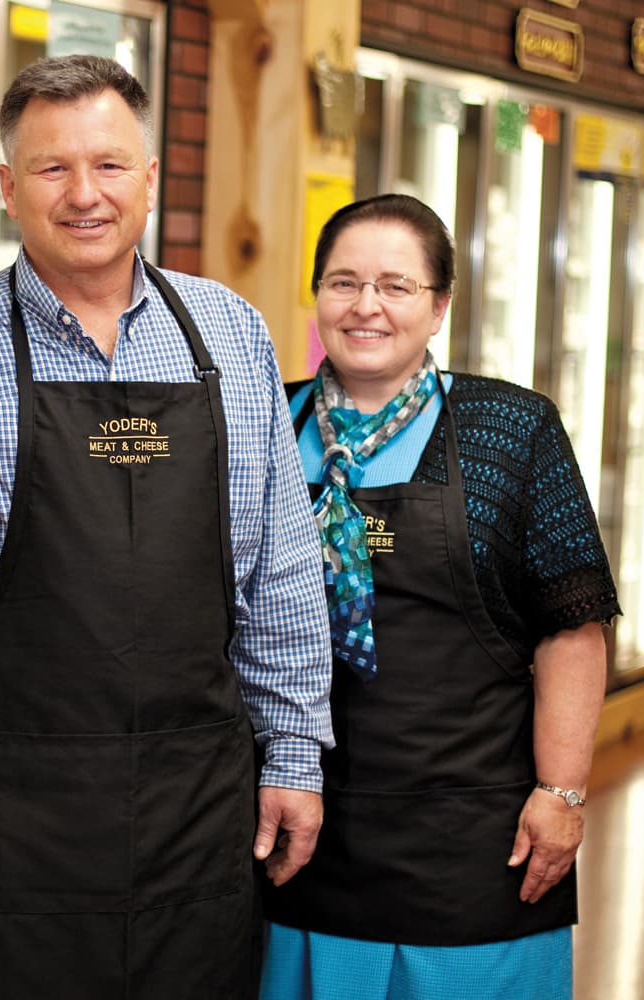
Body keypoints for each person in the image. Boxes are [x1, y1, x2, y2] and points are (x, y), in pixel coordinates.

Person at [0, 55, 334, 997]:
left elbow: (281, 569)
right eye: (52, 169)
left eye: (110, 165)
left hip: (196, 809)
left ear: (152, 177)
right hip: (6, 813)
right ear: (8, 187)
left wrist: (294, 754)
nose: (85, 194)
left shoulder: (231, 334)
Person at [259, 193, 619, 1000]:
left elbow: (572, 628)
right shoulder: (266, 422)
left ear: (441, 305)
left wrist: (561, 794)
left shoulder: (510, 429)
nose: (367, 306)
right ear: (317, 296)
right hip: (301, 821)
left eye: (396, 285)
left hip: (473, 836)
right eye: (344, 282)